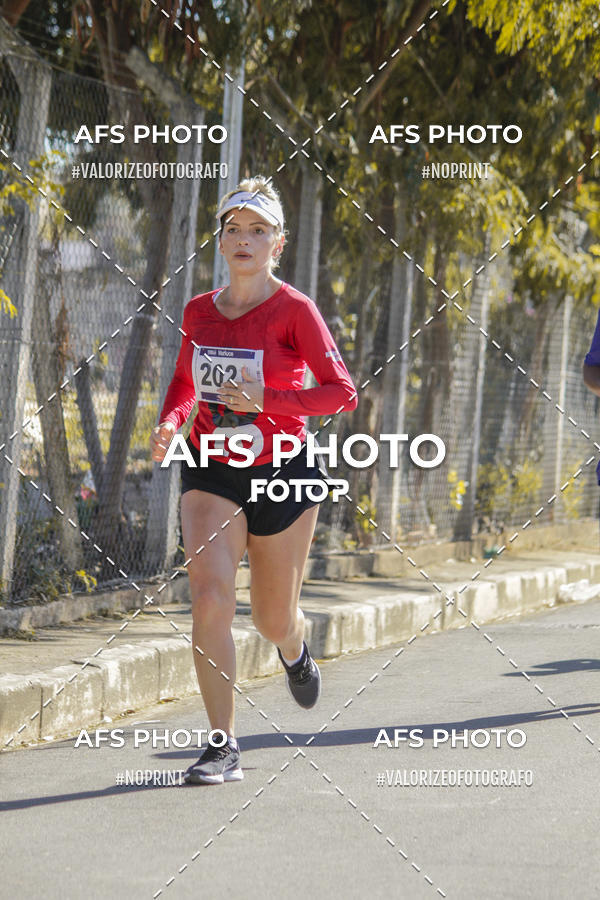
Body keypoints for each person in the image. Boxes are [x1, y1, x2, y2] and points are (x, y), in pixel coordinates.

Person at [149, 176, 357, 785]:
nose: (244, 240)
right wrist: (170, 423)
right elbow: (186, 385)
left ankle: (294, 649)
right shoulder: (197, 312)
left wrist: (269, 396)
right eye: (233, 229)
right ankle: (222, 745)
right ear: (220, 241)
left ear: (278, 244)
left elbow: (341, 394)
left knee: (271, 617)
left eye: (258, 230)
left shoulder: (296, 311)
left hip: (284, 473)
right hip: (212, 465)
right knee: (210, 596)